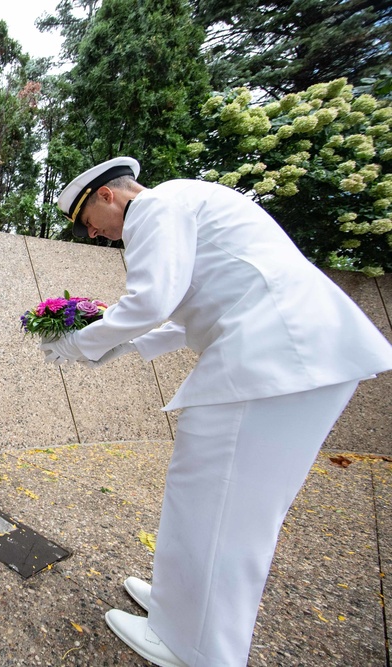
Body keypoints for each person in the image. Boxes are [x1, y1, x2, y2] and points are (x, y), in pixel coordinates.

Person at [41, 156, 392, 667]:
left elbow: (151, 300)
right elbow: (188, 316)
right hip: (284, 355)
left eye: (87, 223)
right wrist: (114, 349)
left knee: (222, 507)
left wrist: (80, 344)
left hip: (271, 358)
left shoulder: (155, 208)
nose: (93, 236)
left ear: (106, 196)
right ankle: (177, 609)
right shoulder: (183, 204)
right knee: (206, 495)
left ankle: (197, 648)